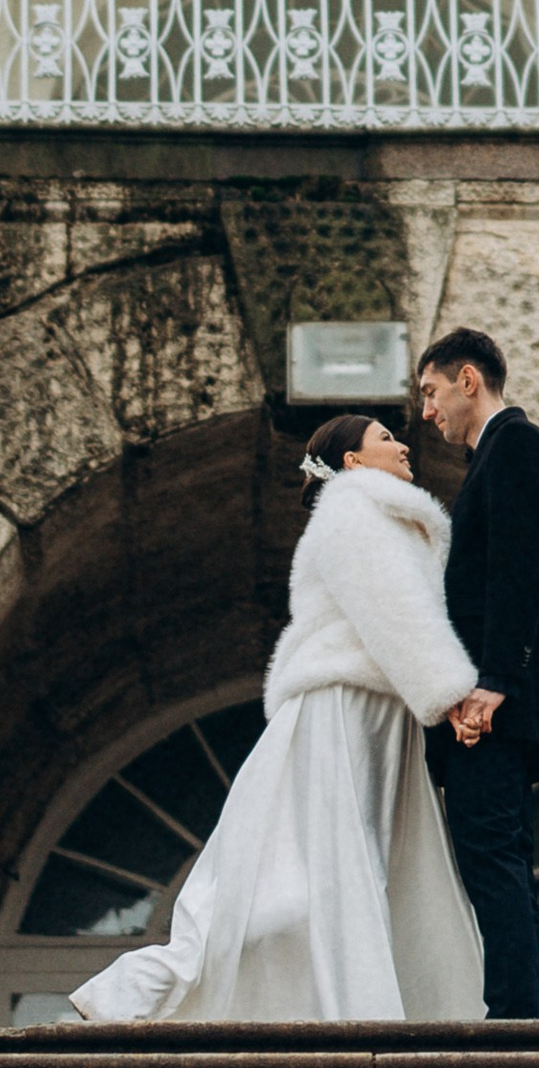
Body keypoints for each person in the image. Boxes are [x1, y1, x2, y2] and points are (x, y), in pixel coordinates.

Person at [69, 411, 486, 1025]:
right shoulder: (356, 508)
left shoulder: (373, 512)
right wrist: (451, 691)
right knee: (326, 861)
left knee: (352, 863)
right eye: (385, 438)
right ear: (351, 461)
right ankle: (150, 987)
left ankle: (344, 1001)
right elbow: (391, 606)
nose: (402, 445)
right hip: (349, 705)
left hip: (374, 709)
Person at [415, 324, 539, 1020]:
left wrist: (495, 681)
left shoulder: (516, 444)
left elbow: (523, 568)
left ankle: (515, 1013)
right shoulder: (491, 458)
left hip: (497, 707)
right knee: (499, 855)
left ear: (468, 380)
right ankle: (520, 1008)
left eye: (431, 392)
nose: (427, 412)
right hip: (499, 700)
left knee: (492, 855)